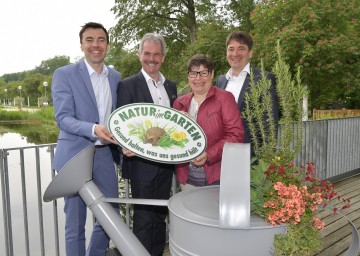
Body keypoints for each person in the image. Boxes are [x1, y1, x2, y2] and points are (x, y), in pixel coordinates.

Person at [52, 22, 121, 256]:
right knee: (75, 222)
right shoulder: (64, 74)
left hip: (103, 155)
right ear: (82, 45)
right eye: (90, 40)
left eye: (101, 40)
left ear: (108, 45)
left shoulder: (116, 77)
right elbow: (63, 118)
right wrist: (93, 128)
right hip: (75, 157)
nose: (96, 45)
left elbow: (119, 119)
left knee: (110, 214)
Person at [116, 33, 177, 256]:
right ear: (139, 55)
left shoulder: (171, 85)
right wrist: (125, 146)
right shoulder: (127, 85)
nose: (152, 58)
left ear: (163, 56)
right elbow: (122, 124)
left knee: (160, 217)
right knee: (143, 220)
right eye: (147, 53)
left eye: (157, 54)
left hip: (165, 165)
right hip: (141, 165)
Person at [173, 54, 244, 190]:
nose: (198, 78)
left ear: (212, 74)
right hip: (187, 177)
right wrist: (175, 127)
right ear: (188, 76)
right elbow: (172, 140)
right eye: (193, 74)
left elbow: (236, 135)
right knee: (189, 210)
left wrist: (209, 154)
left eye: (203, 73)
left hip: (217, 176)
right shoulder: (179, 103)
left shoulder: (225, 98)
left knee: (214, 211)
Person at [216, 31, 279, 156]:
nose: (235, 54)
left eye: (241, 49)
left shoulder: (264, 79)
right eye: (231, 49)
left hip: (251, 154)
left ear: (250, 53)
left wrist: (264, 158)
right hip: (221, 152)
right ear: (226, 53)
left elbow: (270, 121)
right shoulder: (221, 81)